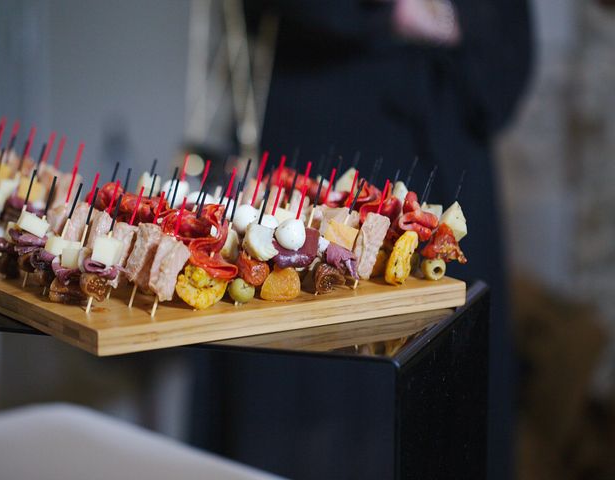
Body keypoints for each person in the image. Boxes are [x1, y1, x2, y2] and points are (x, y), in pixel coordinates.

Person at [193, 2, 532, 478]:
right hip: (319, 133)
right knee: (307, 409)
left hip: (444, 148)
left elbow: (505, 61)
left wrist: (449, 21)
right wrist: (397, 13)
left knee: (444, 407)